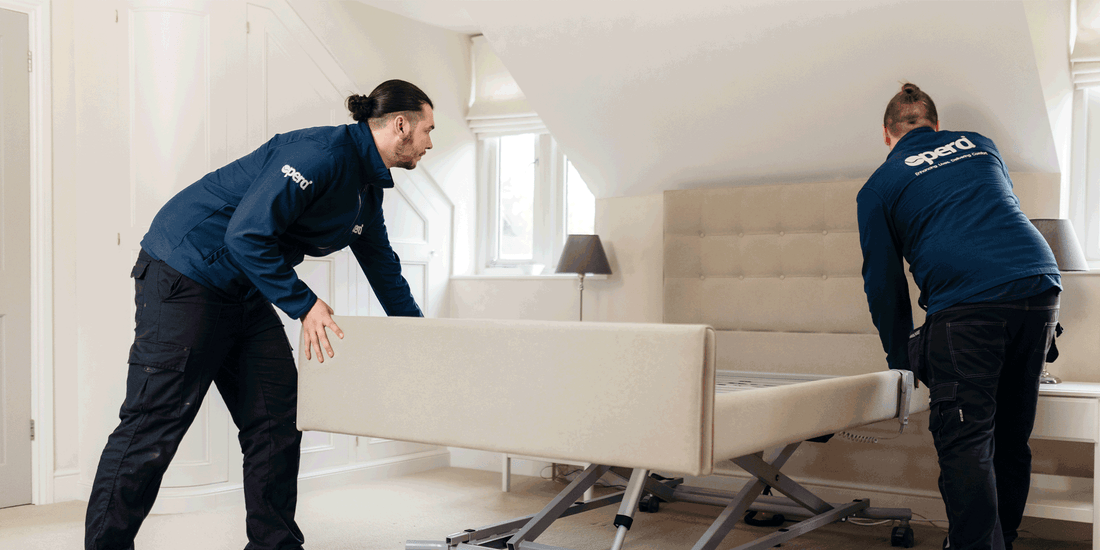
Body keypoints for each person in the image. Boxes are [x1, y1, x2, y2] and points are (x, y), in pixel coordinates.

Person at [85, 79, 434, 550]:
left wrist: (422, 340)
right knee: (154, 424)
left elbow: (384, 268)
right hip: (186, 272)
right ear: (401, 125)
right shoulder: (318, 155)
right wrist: (304, 304)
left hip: (243, 286)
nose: (430, 142)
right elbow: (246, 235)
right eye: (428, 130)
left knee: (276, 418)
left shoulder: (366, 193)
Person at [858, 83, 1062, 550]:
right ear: (936, 125)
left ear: (887, 134)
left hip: (970, 304)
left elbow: (883, 284)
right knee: (1010, 435)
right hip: (1039, 283)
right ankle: (1002, 541)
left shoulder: (879, 185)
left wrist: (901, 362)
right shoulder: (981, 146)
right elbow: (998, 213)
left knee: (966, 441)